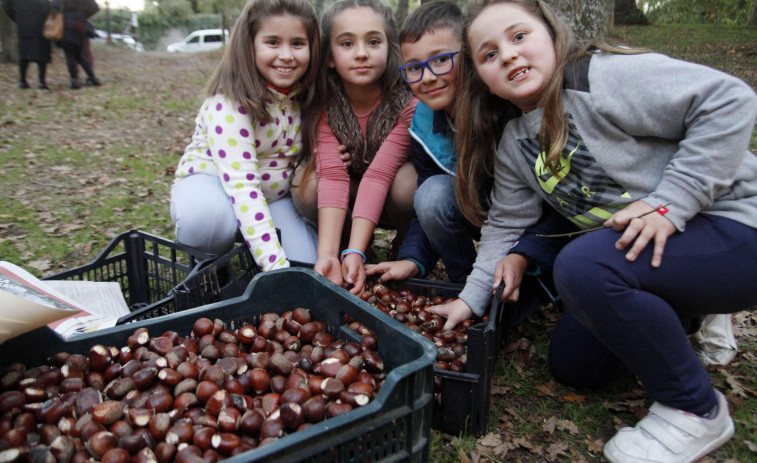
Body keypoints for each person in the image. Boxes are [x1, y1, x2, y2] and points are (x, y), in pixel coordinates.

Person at [427, 1, 757, 462]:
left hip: (734, 226)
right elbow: (505, 225)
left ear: (552, 34)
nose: (508, 55)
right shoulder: (516, 143)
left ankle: (696, 409)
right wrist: (469, 299)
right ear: (481, 77)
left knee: (581, 264)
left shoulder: (599, 77)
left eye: (519, 36)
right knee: (575, 365)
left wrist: (670, 203)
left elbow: (730, 100)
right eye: (488, 54)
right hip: (659, 252)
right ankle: (681, 309)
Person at [170, 0, 321, 271]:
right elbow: (243, 188)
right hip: (215, 187)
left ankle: (253, 243)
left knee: (306, 265)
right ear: (249, 45)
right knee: (209, 221)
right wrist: (276, 267)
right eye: (273, 42)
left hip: (274, 197)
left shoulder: (305, 97)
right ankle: (209, 260)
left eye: (297, 43)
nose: (286, 55)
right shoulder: (227, 104)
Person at [291, 0, 418, 295]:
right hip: (346, 192)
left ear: (389, 47)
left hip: (388, 194)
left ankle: (403, 241)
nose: (361, 53)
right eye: (347, 43)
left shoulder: (407, 103)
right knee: (306, 183)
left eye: (373, 41)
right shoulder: (323, 105)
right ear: (330, 57)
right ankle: (345, 246)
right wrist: (327, 255)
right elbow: (333, 176)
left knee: (408, 183)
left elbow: (380, 173)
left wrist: (355, 252)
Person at [364, 1, 479, 285]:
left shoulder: (495, 106)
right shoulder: (424, 122)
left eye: (441, 60)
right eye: (414, 68)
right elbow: (425, 203)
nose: (427, 77)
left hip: (516, 220)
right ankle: (463, 281)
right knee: (430, 194)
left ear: (467, 55)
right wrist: (411, 259)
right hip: (471, 208)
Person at [51, 0, 101, 89]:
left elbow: (53, 6)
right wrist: (84, 15)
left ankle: (74, 80)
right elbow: (94, 8)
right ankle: (92, 77)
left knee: (70, 55)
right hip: (80, 27)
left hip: (66, 26)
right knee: (79, 55)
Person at [2, 0, 52, 90]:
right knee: (42, 54)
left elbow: (6, 4)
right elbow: (46, 6)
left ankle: (22, 81)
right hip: (39, 23)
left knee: (24, 53)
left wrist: (17, 17)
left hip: (23, 23)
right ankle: (41, 81)